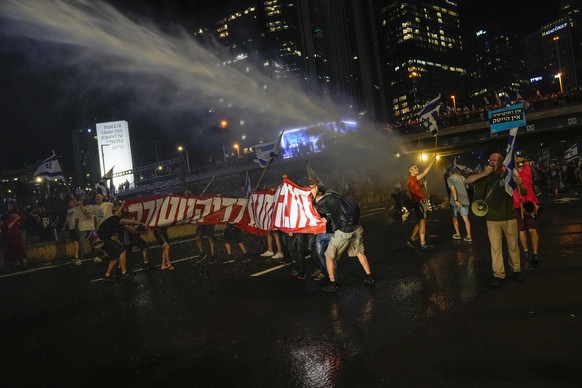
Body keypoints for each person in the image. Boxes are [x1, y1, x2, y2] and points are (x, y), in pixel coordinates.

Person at [464, 152, 526, 288]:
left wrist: (520, 184)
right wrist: (483, 174)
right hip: (492, 219)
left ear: (501, 162)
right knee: (495, 248)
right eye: (490, 159)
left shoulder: (509, 174)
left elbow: (525, 191)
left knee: (513, 247)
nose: (492, 162)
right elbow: (466, 181)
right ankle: (499, 275)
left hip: (509, 217)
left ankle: (516, 270)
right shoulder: (486, 175)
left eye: (495, 160)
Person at [309, 180, 374, 293]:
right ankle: (370, 278)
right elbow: (336, 213)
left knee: (329, 256)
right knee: (359, 252)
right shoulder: (335, 195)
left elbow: (313, 208)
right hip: (356, 227)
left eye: (312, 189)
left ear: (319, 192)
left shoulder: (324, 200)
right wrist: (328, 219)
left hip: (344, 231)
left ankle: (333, 284)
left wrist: (314, 195)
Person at [99, 212, 148, 281]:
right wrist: (141, 224)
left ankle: (107, 275)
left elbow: (129, 229)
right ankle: (124, 272)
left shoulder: (119, 224)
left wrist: (139, 231)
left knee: (115, 257)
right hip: (103, 239)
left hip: (102, 240)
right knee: (121, 250)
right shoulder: (115, 219)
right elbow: (129, 222)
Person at [514, 156, 541, 267]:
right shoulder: (527, 170)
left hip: (519, 204)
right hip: (528, 204)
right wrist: (520, 160)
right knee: (531, 229)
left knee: (523, 230)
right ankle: (534, 253)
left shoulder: (512, 176)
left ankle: (526, 251)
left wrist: (513, 160)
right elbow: (525, 161)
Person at [406, 156, 437, 249]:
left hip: (417, 202)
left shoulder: (411, 180)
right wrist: (432, 161)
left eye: (417, 167)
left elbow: (415, 188)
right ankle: (423, 243)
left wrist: (422, 186)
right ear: (410, 171)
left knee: (420, 221)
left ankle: (411, 239)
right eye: (415, 168)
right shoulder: (412, 178)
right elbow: (425, 172)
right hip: (419, 202)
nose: (417, 168)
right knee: (423, 222)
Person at [445, 165, 472, 242]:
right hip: (464, 200)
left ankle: (458, 234)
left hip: (454, 202)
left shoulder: (449, 178)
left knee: (455, 217)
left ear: (449, 172)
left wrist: (456, 200)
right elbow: (466, 187)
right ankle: (469, 236)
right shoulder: (462, 177)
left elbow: (453, 189)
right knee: (466, 219)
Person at [3, 201, 26, 271]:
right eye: (8, 206)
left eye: (10, 206)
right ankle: (15, 264)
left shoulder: (14, 214)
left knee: (17, 248)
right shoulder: (9, 215)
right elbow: (8, 226)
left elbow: (14, 224)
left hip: (15, 234)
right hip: (11, 235)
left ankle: (21, 263)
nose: (9, 208)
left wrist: (17, 219)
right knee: (12, 249)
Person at [61, 197, 83, 265]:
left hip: (76, 227)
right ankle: (76, 255)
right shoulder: (68, 211)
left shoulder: (76, 208)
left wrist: (74, 198)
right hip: (70, 228)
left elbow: (78, 204)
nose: (69, 204)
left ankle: (77, 255)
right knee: (74, 242)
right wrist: (64, 227)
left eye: (71, 202)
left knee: (76, 241)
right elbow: (66, 219)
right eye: (69, 203)